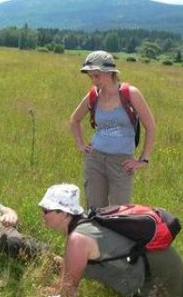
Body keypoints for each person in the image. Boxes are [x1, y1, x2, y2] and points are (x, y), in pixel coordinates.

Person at [39, 183, 183, 297]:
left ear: (64, 213)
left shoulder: (78, 239)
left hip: (159, 268)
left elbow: (69, 287)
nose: (42, 214)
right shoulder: (80, 225)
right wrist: (55, 290)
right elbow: (68, 271)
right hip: (149, 267)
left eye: (46, 210)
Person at [69, 50, 156, 209]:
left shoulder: (130, 93)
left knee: (119, 213)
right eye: (91, 76)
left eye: (97, 75)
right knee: (95, 211)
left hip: (121, 162)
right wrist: (81, 145)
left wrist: (143, 160)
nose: (94, 80)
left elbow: (150, 127)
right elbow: (74, 120)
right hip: (94, 160)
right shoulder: (93, 95)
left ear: (110, 73)